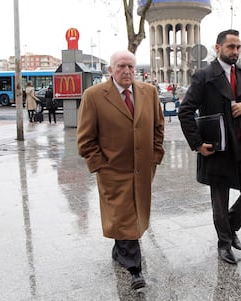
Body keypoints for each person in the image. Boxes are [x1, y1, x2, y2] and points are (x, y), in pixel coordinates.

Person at [178, 29, 241, 265]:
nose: (236, 51)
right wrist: (197, 144)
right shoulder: (204, 75)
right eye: (231, 47)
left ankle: (229, 229)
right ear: (218, 48)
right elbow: (185, 111)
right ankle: (224, 244)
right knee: (219, 201)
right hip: (217, 148)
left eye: (238, 47)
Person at [77, 50, 165, 290]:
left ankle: (120, 250)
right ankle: (135, 269)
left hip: (143, 169)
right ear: (110, 70)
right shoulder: (94, 96)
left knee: (131, 215)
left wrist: (156, 155)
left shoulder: (149, 92)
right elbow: (85, 139)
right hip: (113, 170)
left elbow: (158, 126)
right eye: (121, 66)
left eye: (130, 67)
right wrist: (100, 166)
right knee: (124, 215)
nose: (126, 71)